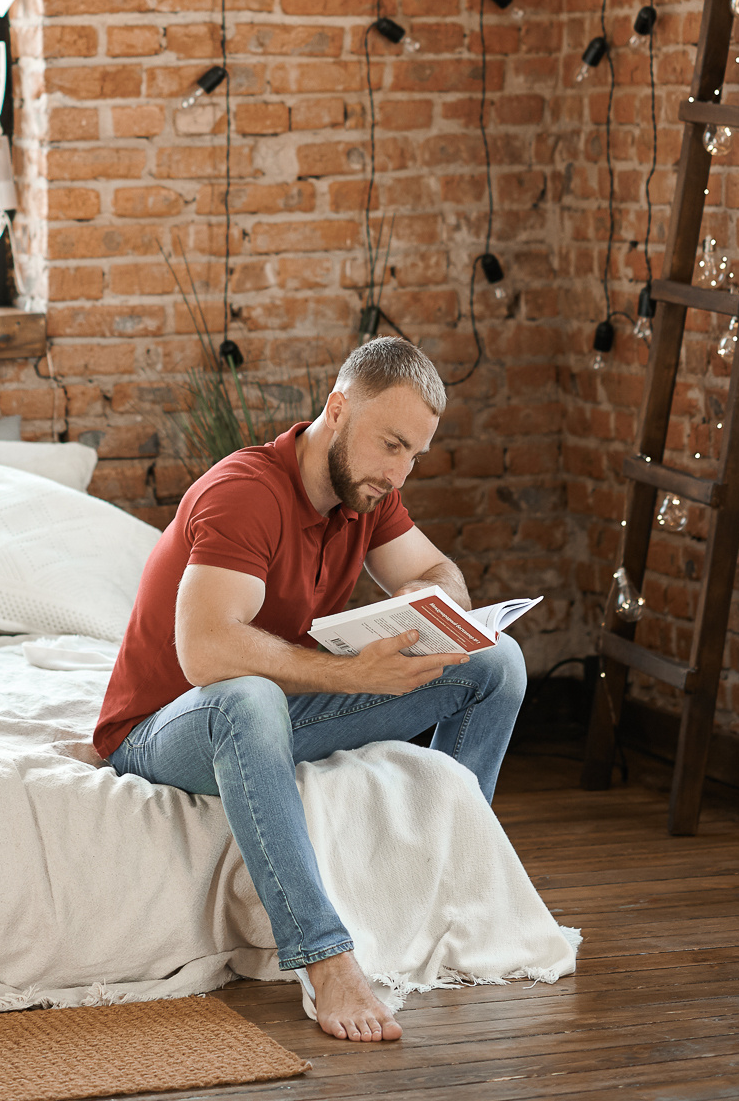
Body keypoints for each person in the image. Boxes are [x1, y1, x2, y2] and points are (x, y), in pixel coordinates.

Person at [93, 337, 526, 1044]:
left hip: (272, 714)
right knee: (249, 695)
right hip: (161, 729)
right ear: (337, 408)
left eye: (414, 454)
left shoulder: (368, 491)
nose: (399, 472)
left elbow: (437, 568)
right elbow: (206, 651)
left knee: (497, 662)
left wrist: (434, 607)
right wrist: (352, 675)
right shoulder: (245, 493)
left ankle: (444, 886)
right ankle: (326, 959)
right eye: (390, 445)